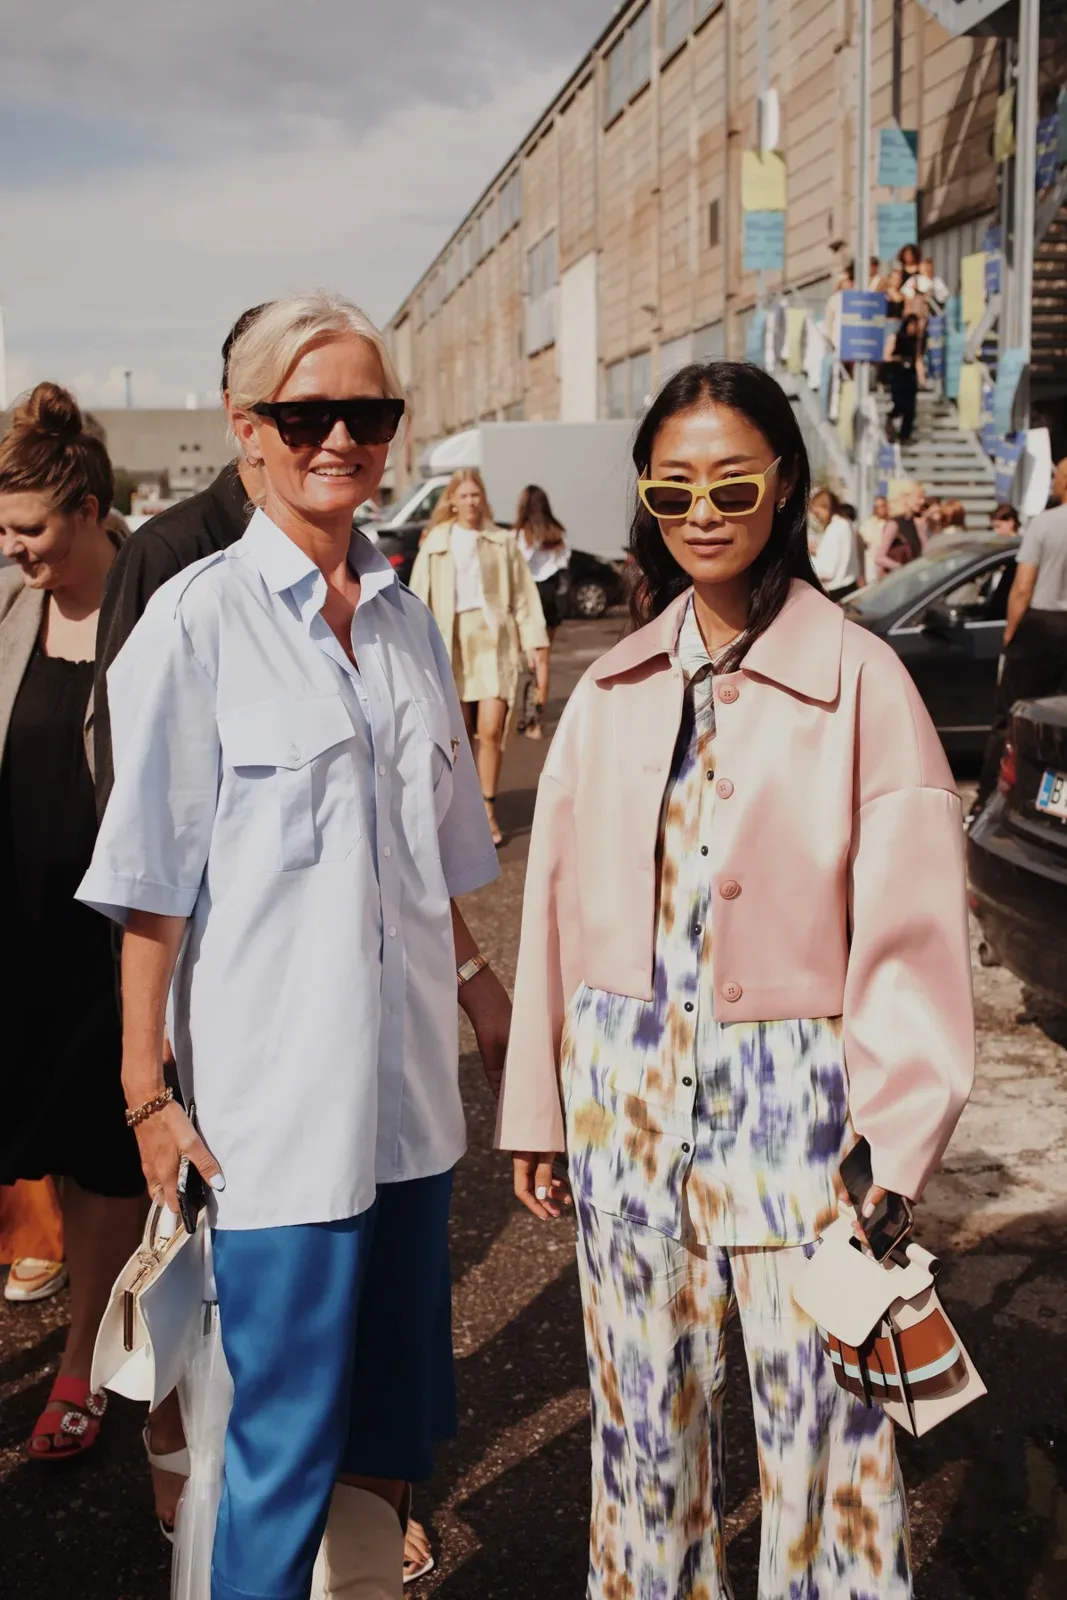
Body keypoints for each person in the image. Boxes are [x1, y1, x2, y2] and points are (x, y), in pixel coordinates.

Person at [496, 360, 973, 1599]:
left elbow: (915, 929)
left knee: (829, 1457)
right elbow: (551, 905)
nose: (700, 512)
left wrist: (894, 1143)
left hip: (800, 1123)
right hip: (626, 1107)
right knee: (643, 1443)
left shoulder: (861, 679)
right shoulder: (610, 689)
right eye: (671, 490)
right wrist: (541, 1113)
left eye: (730, 483)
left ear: (783, 487)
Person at [78, 292, 511, 1600]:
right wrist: (147, 1095)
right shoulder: (197, 625)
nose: (339, 438)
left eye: (365, 414)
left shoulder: (404, 620)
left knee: (383, 1449)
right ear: (245, 428)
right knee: (267, 1459)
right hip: (274, 1140)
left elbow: (429, 864)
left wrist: (488, 1001)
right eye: (305, 412)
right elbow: (150, 891)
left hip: (410, 1127)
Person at [0, 382, 147, 1460]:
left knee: (103, 1156)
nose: (13, 549)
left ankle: (81, 1360)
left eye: (30, 529)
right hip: (13, 932)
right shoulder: (7, 610)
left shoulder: (159, 604)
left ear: (90, 508)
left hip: (108, 940)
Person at [93, 304, 270, 815]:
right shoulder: (166, 554)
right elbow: (125, 766)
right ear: (241, 416)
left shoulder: (356, 566)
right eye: (300, 409)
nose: (334, 433)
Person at [410, 469, 548, 845]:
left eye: (476, 495)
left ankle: (487, 807)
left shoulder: (501, 541)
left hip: (493, 642)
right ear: (452, 500)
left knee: (490, 729)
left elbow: (522, 597)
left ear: (483, 499)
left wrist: (534, 643)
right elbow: (417, 597)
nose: (471, 501)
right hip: (449, 640)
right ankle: (459, 811)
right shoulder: (436, 542)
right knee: (456, 734)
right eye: (464, 495)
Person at [974, 458, 1067, 814]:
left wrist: (1011, 636)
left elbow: (1022, 587)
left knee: (1010, 717)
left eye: (1057, 476)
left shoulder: (1045, 524)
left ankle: (988, 801)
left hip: (1042, 626)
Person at [514, 484, 570, 741]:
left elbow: (518, 567)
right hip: (552, 597)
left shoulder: (522, 535)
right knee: (543, 660)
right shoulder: (556, 533)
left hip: (530, 596)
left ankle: (528, 717)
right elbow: (564, 564)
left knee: (528, 659)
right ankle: (536, 720)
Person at [808, 487, 861, 599]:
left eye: (818, 514)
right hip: (847, 587)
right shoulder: (844, 524)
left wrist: (807, 557)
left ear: (826, 508)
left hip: (838, 591)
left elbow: (827, 570)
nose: (817, 518)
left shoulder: (835, 528)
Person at [885, 312, 922, 442]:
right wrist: (899, 359)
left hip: (910, 374)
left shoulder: (916, 340)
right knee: (899, 403)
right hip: (897, 373)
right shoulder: (896, 337)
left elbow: (917, 358)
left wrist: (922, 378)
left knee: (910, 407)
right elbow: (887, 356)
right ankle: (890, 421)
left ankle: (905, 435)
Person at [876, 481, 926, 573]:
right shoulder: (894, 524)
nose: (922, 501)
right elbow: (879, 557)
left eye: (923, 497)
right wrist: (902, 569)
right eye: (919, 497)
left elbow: (924, 552)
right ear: (905, 498)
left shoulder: (916, 523)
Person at [858, 492, 890, 582]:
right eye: (878, 506)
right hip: (870, 564)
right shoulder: (868, 524)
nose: (880, 509)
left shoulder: (892, 524)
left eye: (883, 506)